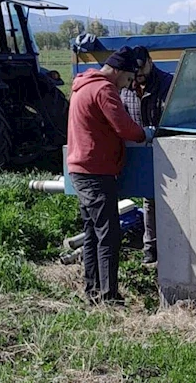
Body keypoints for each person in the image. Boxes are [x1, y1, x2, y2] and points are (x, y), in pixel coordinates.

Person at [67, 45, 154, 305]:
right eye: (128, 79)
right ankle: (109, 297)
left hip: (81, 169)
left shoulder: (83, 85)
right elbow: (124, 127)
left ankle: (92, 292)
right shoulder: (104, 89)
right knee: (109, 234)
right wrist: (145, 133)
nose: (127, 86)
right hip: (96, 171)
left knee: (93, 232)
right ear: (117, 71)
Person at [119, 46, 174, 265]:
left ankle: (169, 247)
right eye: (135, 71)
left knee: (164, 200)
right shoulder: (127, 86)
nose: (138, 75)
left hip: (165, 147)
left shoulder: (167, 84)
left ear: (151, 62)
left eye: (142, 70)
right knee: (148, 198)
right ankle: (150, 248)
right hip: (139, 147)